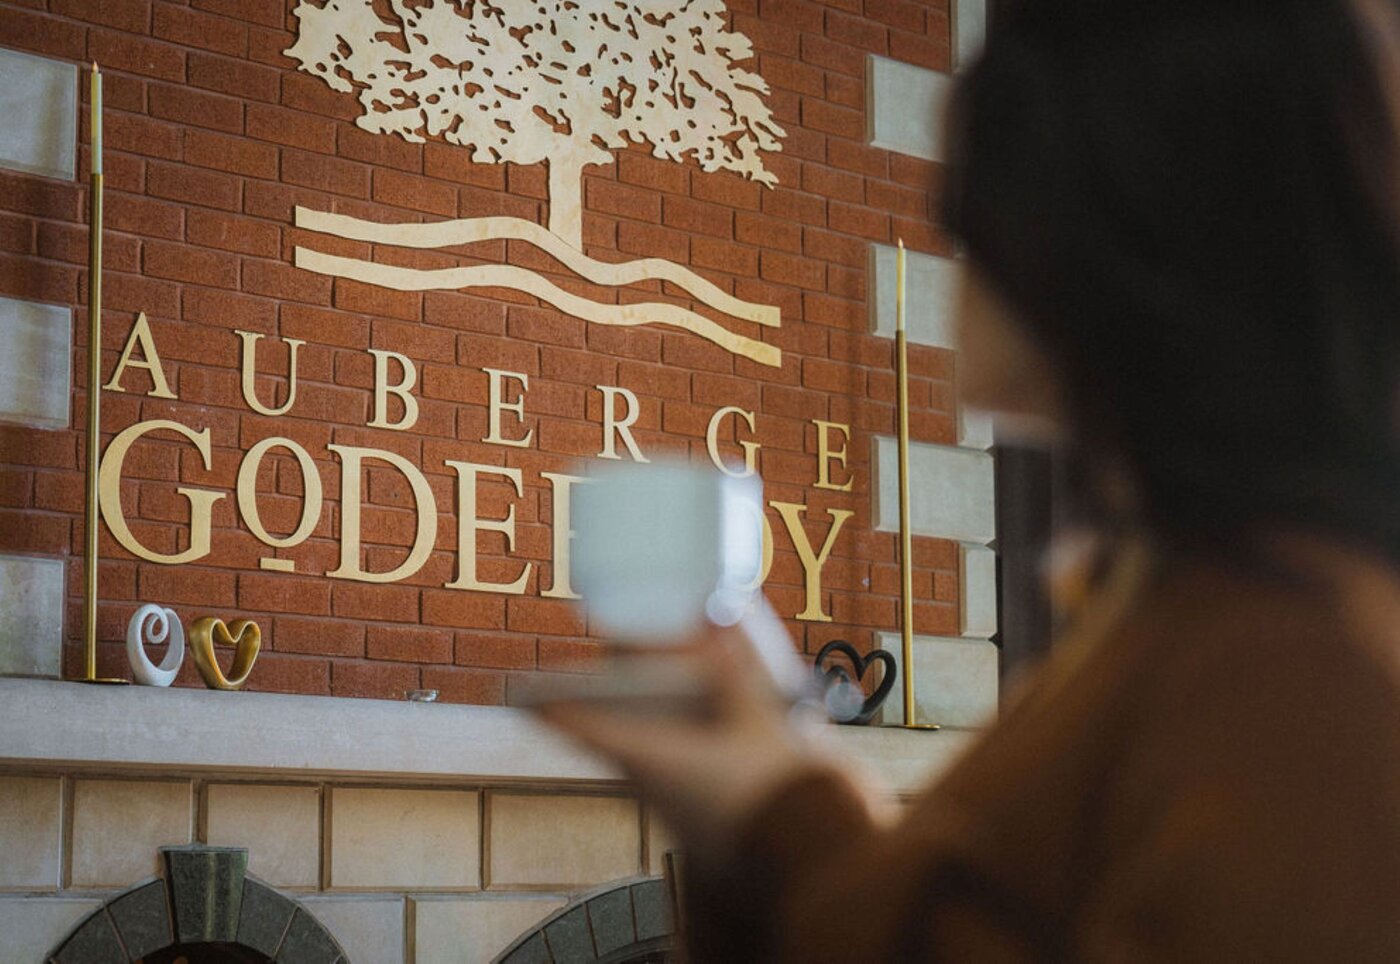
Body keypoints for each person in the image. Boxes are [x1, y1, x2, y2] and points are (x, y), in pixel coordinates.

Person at [538, 1, 1400, 959]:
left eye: (966, 217)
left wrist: (782, 811)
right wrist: (763, 793)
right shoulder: (1185, 616)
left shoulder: (1288, 671)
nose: (944, 267)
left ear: (1097, 232)